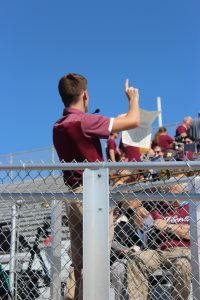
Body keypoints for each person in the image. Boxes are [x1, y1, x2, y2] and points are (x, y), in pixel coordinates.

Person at [53, 73, 140, 300]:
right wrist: (133, 99)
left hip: (72, 195)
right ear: (85, 95)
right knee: (97, 259)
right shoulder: (84, 121)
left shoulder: (58, 125)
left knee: (79, 263)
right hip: (91, 197)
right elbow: (134, 121)